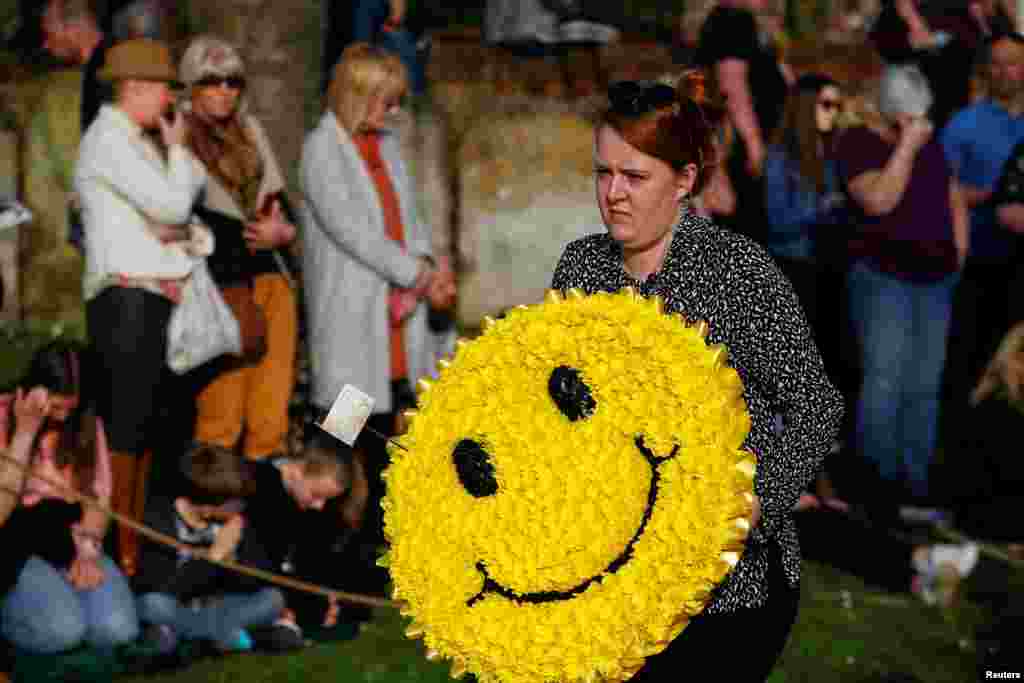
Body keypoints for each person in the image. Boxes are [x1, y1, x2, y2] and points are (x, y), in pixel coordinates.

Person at [550, 72, 844, 681]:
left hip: (729, 592)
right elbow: (565, 407)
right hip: (613, 574)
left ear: (684, 181)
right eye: (603, 173)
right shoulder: (582, 266)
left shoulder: (737, 272)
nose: (614, 194)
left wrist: (757, 509)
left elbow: (818, 407)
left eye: (635, 177)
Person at [300, 42, 455, 598]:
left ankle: (377, 552)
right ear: (358, 96)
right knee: (343, 438)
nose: (393, 113)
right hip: (351, 326)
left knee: (389, 439)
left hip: (394, 322)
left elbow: (408, 220)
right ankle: (327, 555)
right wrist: (417, 273)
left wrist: (426, 270)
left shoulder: (385, 148)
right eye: (385, 102)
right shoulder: (322, 151)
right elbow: (354, 233)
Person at [75, 37, 211, 576]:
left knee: (150, 427)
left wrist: (173, 159)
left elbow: (189, 215)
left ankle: (134, 547)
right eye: (163, 89)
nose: (170, 102)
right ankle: (120, 552)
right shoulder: (108, 141)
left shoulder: (140, 140)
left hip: (152, 298)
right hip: (124, 301)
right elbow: (176, 203)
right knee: (126, 429)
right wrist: (176, 153)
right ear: (135, 87)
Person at [835, 64, 968, 504]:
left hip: (935, 279)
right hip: (884, 278)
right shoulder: (857, 142)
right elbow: (878, 200)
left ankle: (914, 489)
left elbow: (953, 196)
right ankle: (876, 487)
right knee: (885, 383)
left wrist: (958, 253)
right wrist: (906, 148)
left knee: (924, 387)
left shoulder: (931, 145)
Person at [178, 35, 299, 467]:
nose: (225, 91)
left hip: (270, 273)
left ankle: (263, 507)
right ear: (191, 85)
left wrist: (282, 231)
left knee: (271, 403)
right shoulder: (178, 137)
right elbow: (184, 217)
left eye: (233, 81)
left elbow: (281, 202)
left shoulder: (251, 129)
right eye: (212, 81)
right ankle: (211, 505)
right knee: (222, 407)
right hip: (219, 284)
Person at [0, 381, 138, 660]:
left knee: (118, 629)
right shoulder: (4, 416)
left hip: (69, 537)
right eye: (55, 405)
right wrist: (25, 433)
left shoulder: (86, 423)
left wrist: (88, 550)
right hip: (14, 542)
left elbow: (99, 498)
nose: (62, 416)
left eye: (70, 408)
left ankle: (57, 603)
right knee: (63, 630)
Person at [940, 32, 1024, 482]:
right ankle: (963, 474)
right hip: (981, 262)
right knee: (973, 368)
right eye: (998, 63)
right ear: (986, 70)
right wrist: (993, 196)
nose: (1006, 71)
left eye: (1015, 62)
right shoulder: (964, 125)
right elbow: (941, 189)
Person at [763, 73, 855, 446]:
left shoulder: (831, 152)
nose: (834, 113)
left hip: (827, 267)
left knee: (829, 362)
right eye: (826, 104)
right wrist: (822, 208)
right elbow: (778, 221)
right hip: (794, 268)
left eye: (838, 105)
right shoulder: (781, 156)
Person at [134, 445, 286, 656]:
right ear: (208, 505)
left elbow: (256, 580)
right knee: (153, 605)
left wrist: (233, 559)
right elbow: (163, 588)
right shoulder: (161, 518)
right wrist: (213, 556)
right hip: (177, 604)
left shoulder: (234, 522)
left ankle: (193, 635)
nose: (242, 506)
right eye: (236, 502)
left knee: (273, 599)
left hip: (218, 604)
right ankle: (222, 635)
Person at [695, 0, 792, 245]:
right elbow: (732, 88)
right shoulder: (733, 20)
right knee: (745, 231)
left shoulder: (738, 21)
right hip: (740, 149)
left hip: (745, 146)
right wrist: (755, 147)